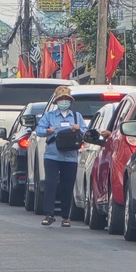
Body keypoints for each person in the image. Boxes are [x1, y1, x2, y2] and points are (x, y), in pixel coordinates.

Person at [35, 86, 87, 227]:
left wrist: (79, 129)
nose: (64, 102)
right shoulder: (49, 116)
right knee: (50, 184)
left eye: (66, 99)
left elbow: (86, 132)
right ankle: (49, 214)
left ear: (70, 101)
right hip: (52, 156)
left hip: (70, 157)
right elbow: (38, 130)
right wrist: (48, 130)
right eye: (61, 99)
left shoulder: (77, 117)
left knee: (67, 186)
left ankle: (65, 216)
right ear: (57, 101)